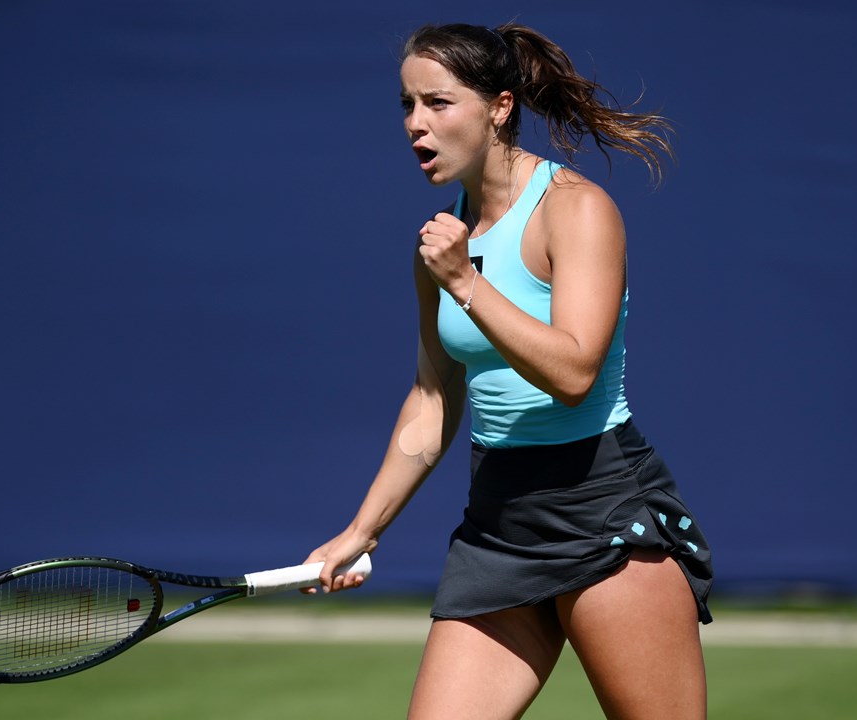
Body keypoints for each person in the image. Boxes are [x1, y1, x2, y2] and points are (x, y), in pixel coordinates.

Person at [303, 21, 713, 720]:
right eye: (406, 105)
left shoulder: (576, 210)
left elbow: (575, 371)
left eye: (438, 103)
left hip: (602, 510)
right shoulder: (441, 243)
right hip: (498, 524)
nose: (416, 124)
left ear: (499, 107)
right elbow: (432, 400)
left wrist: (467, 282)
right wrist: (361, 530)